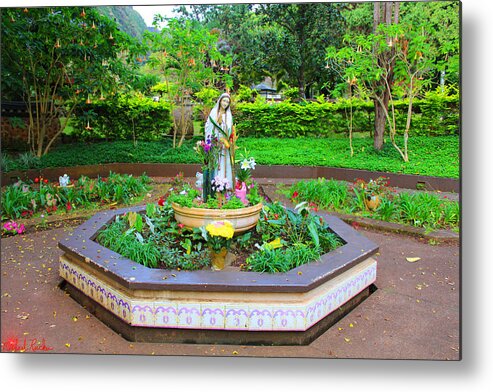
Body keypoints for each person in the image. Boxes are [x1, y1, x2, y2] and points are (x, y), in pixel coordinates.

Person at [204, 93, 235, 190]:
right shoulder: (214, 112)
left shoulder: (228, 115)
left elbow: (229, 129)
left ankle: (225, 184)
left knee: (223, 162)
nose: (225, 103)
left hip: (224, 143)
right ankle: (213, 184)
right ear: (220, 101)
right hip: (214, 141)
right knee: (215, 162)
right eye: (224, 101)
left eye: (227, 102)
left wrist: (223, 126)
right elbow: (208, 126)